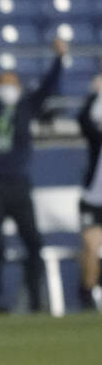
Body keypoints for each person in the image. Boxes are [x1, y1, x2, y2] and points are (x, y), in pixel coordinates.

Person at [0, 32, 66, 313]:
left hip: (18, 183)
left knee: (33, 241)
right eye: (4, 82)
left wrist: (59, 58)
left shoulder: (26, 107)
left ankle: (35, 298)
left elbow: (48, 87)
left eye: (13, 82)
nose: (10, 86)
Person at [75, 76, 102, 311]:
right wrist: (95, 93)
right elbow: (83, 119)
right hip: (93, 201)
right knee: (92, 247)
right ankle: (87, 293)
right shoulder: (97, 140)